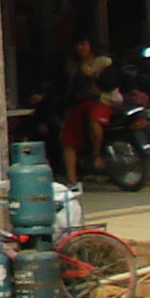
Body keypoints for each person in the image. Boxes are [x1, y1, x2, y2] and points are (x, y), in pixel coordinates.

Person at [56, 38, 114, 188]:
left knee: (95, 120)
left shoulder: (102, 62)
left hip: (100, 101)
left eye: (84, 44)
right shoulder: (72, 66)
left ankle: (96, 155)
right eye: (78, 44)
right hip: (78, 103)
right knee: (68, 140)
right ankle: (72, 179)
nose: (81, 47)